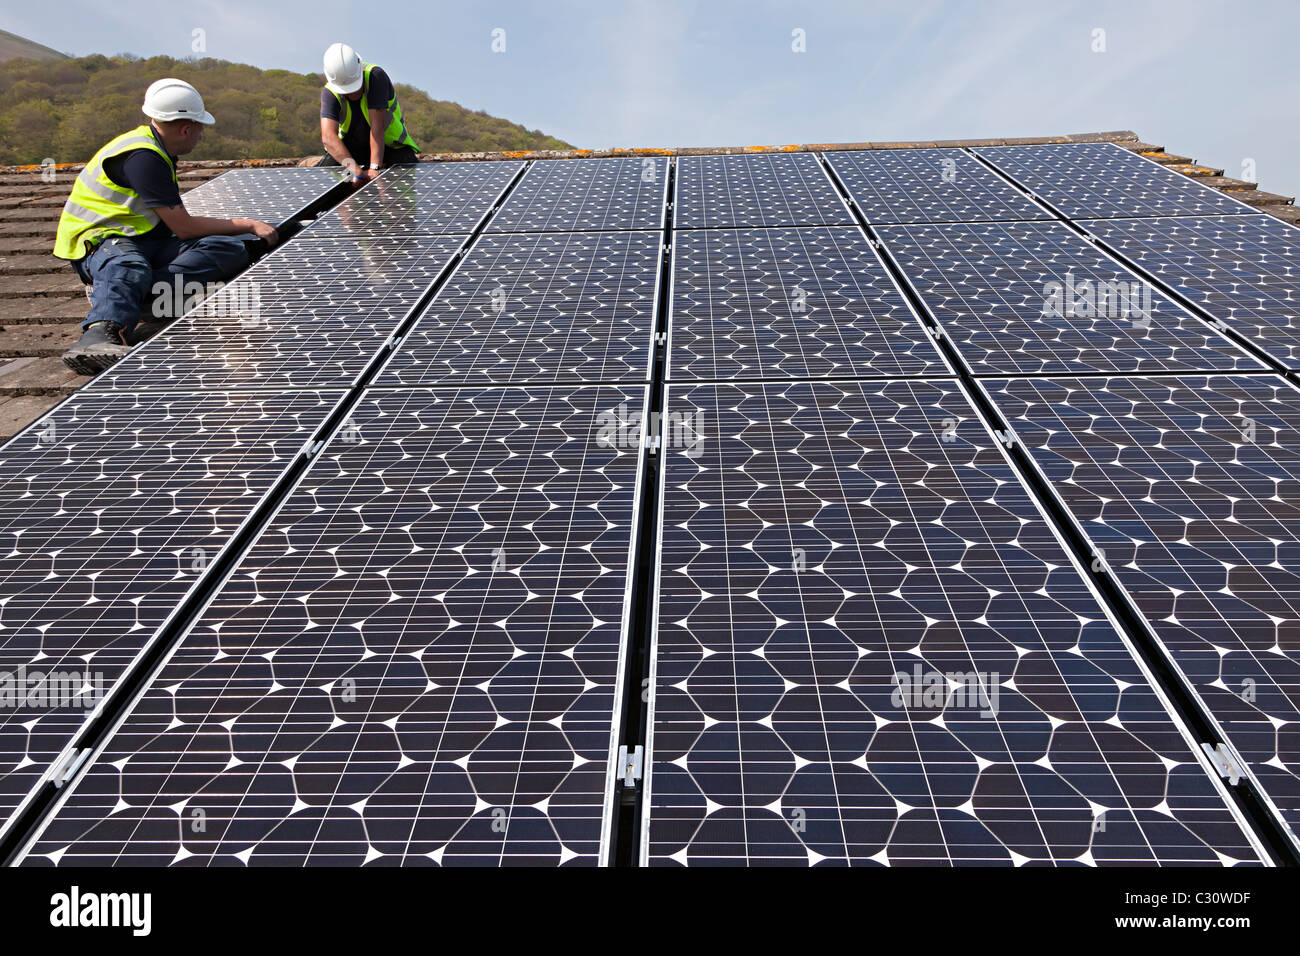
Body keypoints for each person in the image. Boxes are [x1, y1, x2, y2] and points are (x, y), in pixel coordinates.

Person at [54, 78, 280, 375]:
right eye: (200, 128)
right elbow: (184, 227)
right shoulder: (143, 157)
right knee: (128, 265)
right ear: (186, 128)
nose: (200, 136)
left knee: (229, 248)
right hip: (101, 241)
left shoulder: (157, 151)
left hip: (145, 240)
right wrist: (249, 224)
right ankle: (100, 332)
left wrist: (242, 236)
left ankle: (140, 295)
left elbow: (179, 229)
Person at [319, 43, 420, 184]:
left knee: (398, 196)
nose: (352, 93)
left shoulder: (375, 77)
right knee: (328, 182)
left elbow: (376, 128)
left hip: (392, 149)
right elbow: (329, 137)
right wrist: (353, 168)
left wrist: (374, 167)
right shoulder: (330, 93)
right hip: (352, 151)